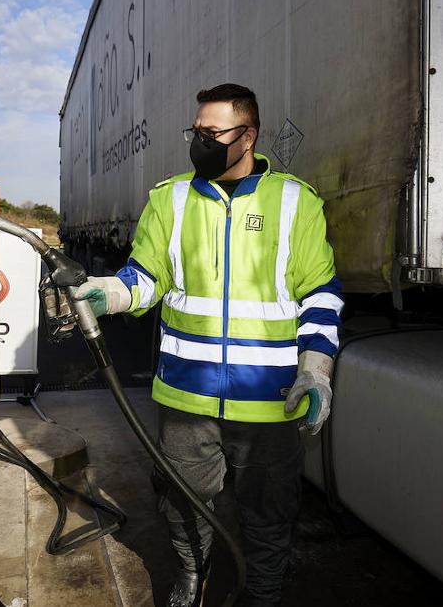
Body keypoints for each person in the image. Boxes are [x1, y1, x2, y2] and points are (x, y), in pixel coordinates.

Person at [77, 83, 343, 607]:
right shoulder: (170, 198)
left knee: (269, 511)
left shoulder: (295, 202)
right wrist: (107, 293)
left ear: (248, 136)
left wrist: (316, 370)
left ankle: (263, 595)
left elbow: (320, 294)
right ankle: (192, 578)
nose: (199, 142)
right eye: (195, 132)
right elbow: (146, 276)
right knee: (181, 502)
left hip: (270, 400)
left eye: (211, 133)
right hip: (186, 396)